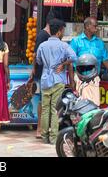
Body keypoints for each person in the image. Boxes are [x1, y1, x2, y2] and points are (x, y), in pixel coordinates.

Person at [36, 18, 77, 145]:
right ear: (59, 32)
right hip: (58, 79)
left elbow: (38, 61)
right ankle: (53, 138)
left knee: (45, 108)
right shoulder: (64, 45)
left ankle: (44, 136)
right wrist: (63, 63)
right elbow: (74, 57)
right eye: (63, 30)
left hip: (45, 79)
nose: (63, 32)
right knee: (54, 109)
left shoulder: (42, 46)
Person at [29, 8, 63, 139]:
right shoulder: (43, 35)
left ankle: (44, 128)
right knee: (43, 102)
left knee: (46, 101)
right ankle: (39, 128)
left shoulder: (50, 36)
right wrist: (33, 70)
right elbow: (35, 54)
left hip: (48, 73)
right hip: (42, 73)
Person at [70, 17, 108, 106]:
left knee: (95, 105)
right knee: (82, 106)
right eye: (95, 26)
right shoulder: (76, 41)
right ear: (87, 26)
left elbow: (105, 60)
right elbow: (70, 62)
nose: (97, 28)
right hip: (80, 78)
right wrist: (72, 82)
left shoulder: (99, 43)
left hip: (94, 79)